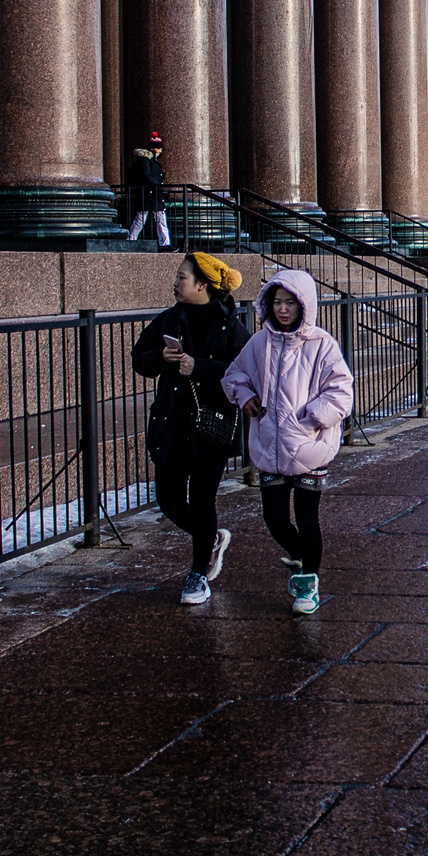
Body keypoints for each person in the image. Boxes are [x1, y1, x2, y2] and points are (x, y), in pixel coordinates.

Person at [222, 269, 354, 615]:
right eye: (277, 303)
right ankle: (300, 556)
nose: (283, 310)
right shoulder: (259, 343)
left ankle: (308, 583)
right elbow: (234, 374)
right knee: (275, 518)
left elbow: (341, 391)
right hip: (269, 445)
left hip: (311, 445)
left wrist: (314, 416)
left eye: (290, 303)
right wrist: (245, 394)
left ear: (304, 305)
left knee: (307, 517)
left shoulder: (321, 344)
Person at [131, 253, 249, 604]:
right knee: (168, 501)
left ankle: (198, 574)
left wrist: (200, 367)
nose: (175, 282)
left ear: (203, 284)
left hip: (211, 427)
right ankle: (211, 538)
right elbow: (140, 357)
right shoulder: (169, 319)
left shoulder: (231, 325)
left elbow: (244, 372)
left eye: (182, 276)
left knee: (201, 501)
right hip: (172, 422)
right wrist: (159, 359)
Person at [127, 131, 170, 247]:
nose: (161, 151)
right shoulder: (145, 161)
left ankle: (165, 243)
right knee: (142, 219)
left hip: (153, 194)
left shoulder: (151, 161)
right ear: (155, 149)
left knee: (158, 219)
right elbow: (147, 177)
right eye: (159, 148)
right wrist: (159, 188)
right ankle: (131, 240)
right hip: (149, 194)